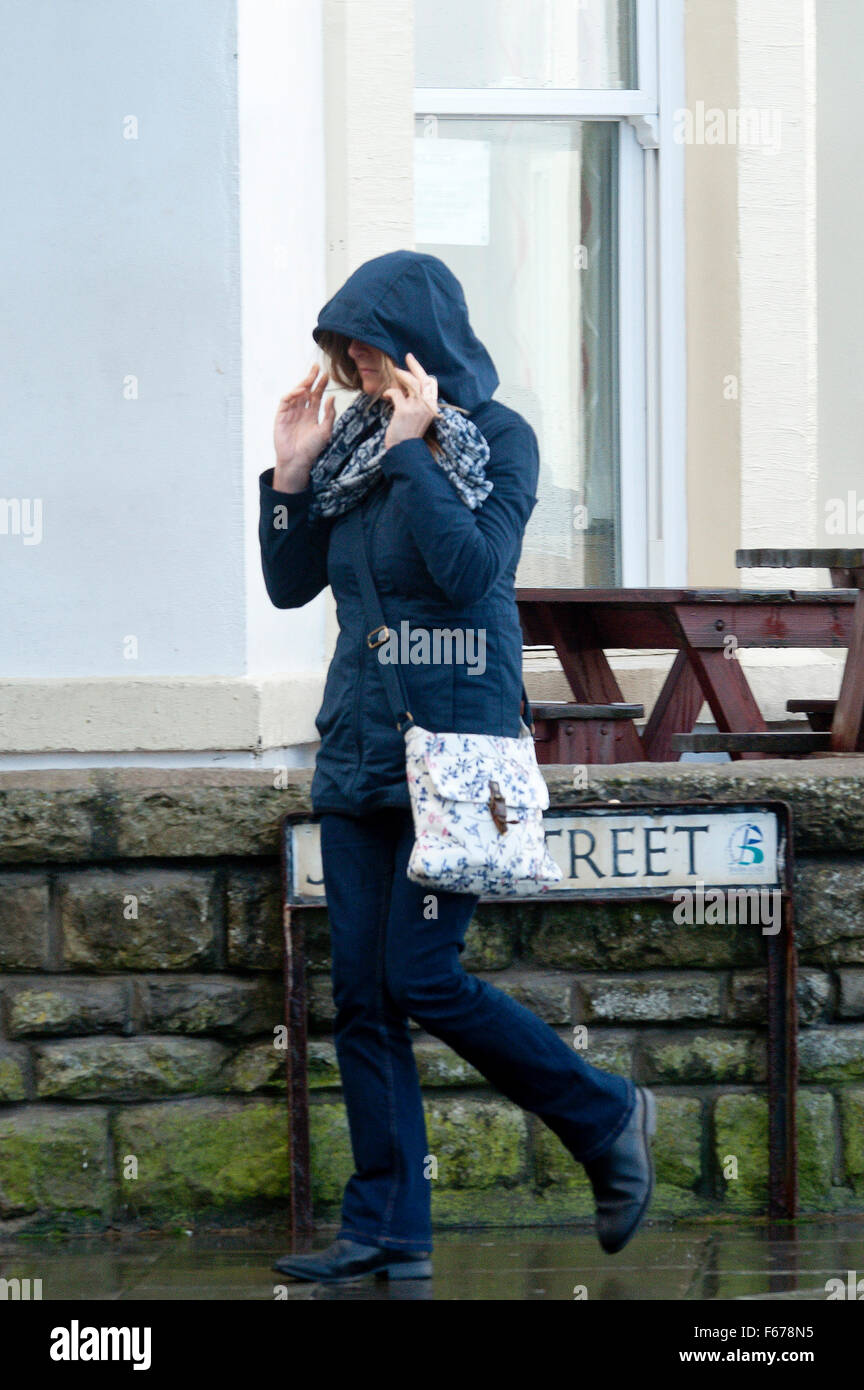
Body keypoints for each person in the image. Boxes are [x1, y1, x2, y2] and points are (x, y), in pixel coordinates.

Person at [259, 250, 655, 1285]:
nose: (356, 370)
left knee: (422, 974)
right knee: (364, 995)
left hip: (458, 755)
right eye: (345, 355)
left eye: (372, 350)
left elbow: (474, 569)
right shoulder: (352, 446)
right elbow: (294, 585)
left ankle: (605, 1110)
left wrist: (412, 449)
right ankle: (388, 1225)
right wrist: (293, 473)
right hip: (359, 748)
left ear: (419, 345)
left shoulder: (502, 443)